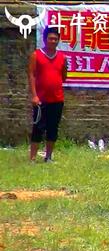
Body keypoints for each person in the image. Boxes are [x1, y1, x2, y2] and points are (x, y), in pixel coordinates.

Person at [27, 27, 67, 163]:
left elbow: (64, 76)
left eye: (55, 39)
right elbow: (31, 75)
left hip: (57, 99)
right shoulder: (36, 55)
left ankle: (48, 157)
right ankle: (32, 158)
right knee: (38, 128)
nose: (53, 41)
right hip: (40, 100)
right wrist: (34, 95)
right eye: (50, 38)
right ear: (45, 39)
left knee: (52, 129)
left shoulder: (62, 57)